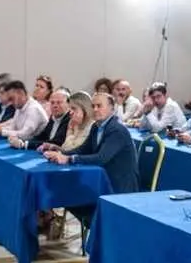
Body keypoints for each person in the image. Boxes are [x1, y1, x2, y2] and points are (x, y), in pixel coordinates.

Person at [44, 93, 139, 222]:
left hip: (118, 186)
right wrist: (61, 153)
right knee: (66, 191)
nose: (95, 109)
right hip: (102, 180)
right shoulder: (96, 126)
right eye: (93, 106)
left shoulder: (117, 130)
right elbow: (84, 149)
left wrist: (69, 159)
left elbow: (101, 158)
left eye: (99, 106)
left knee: (70, 192)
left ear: (112, 108)